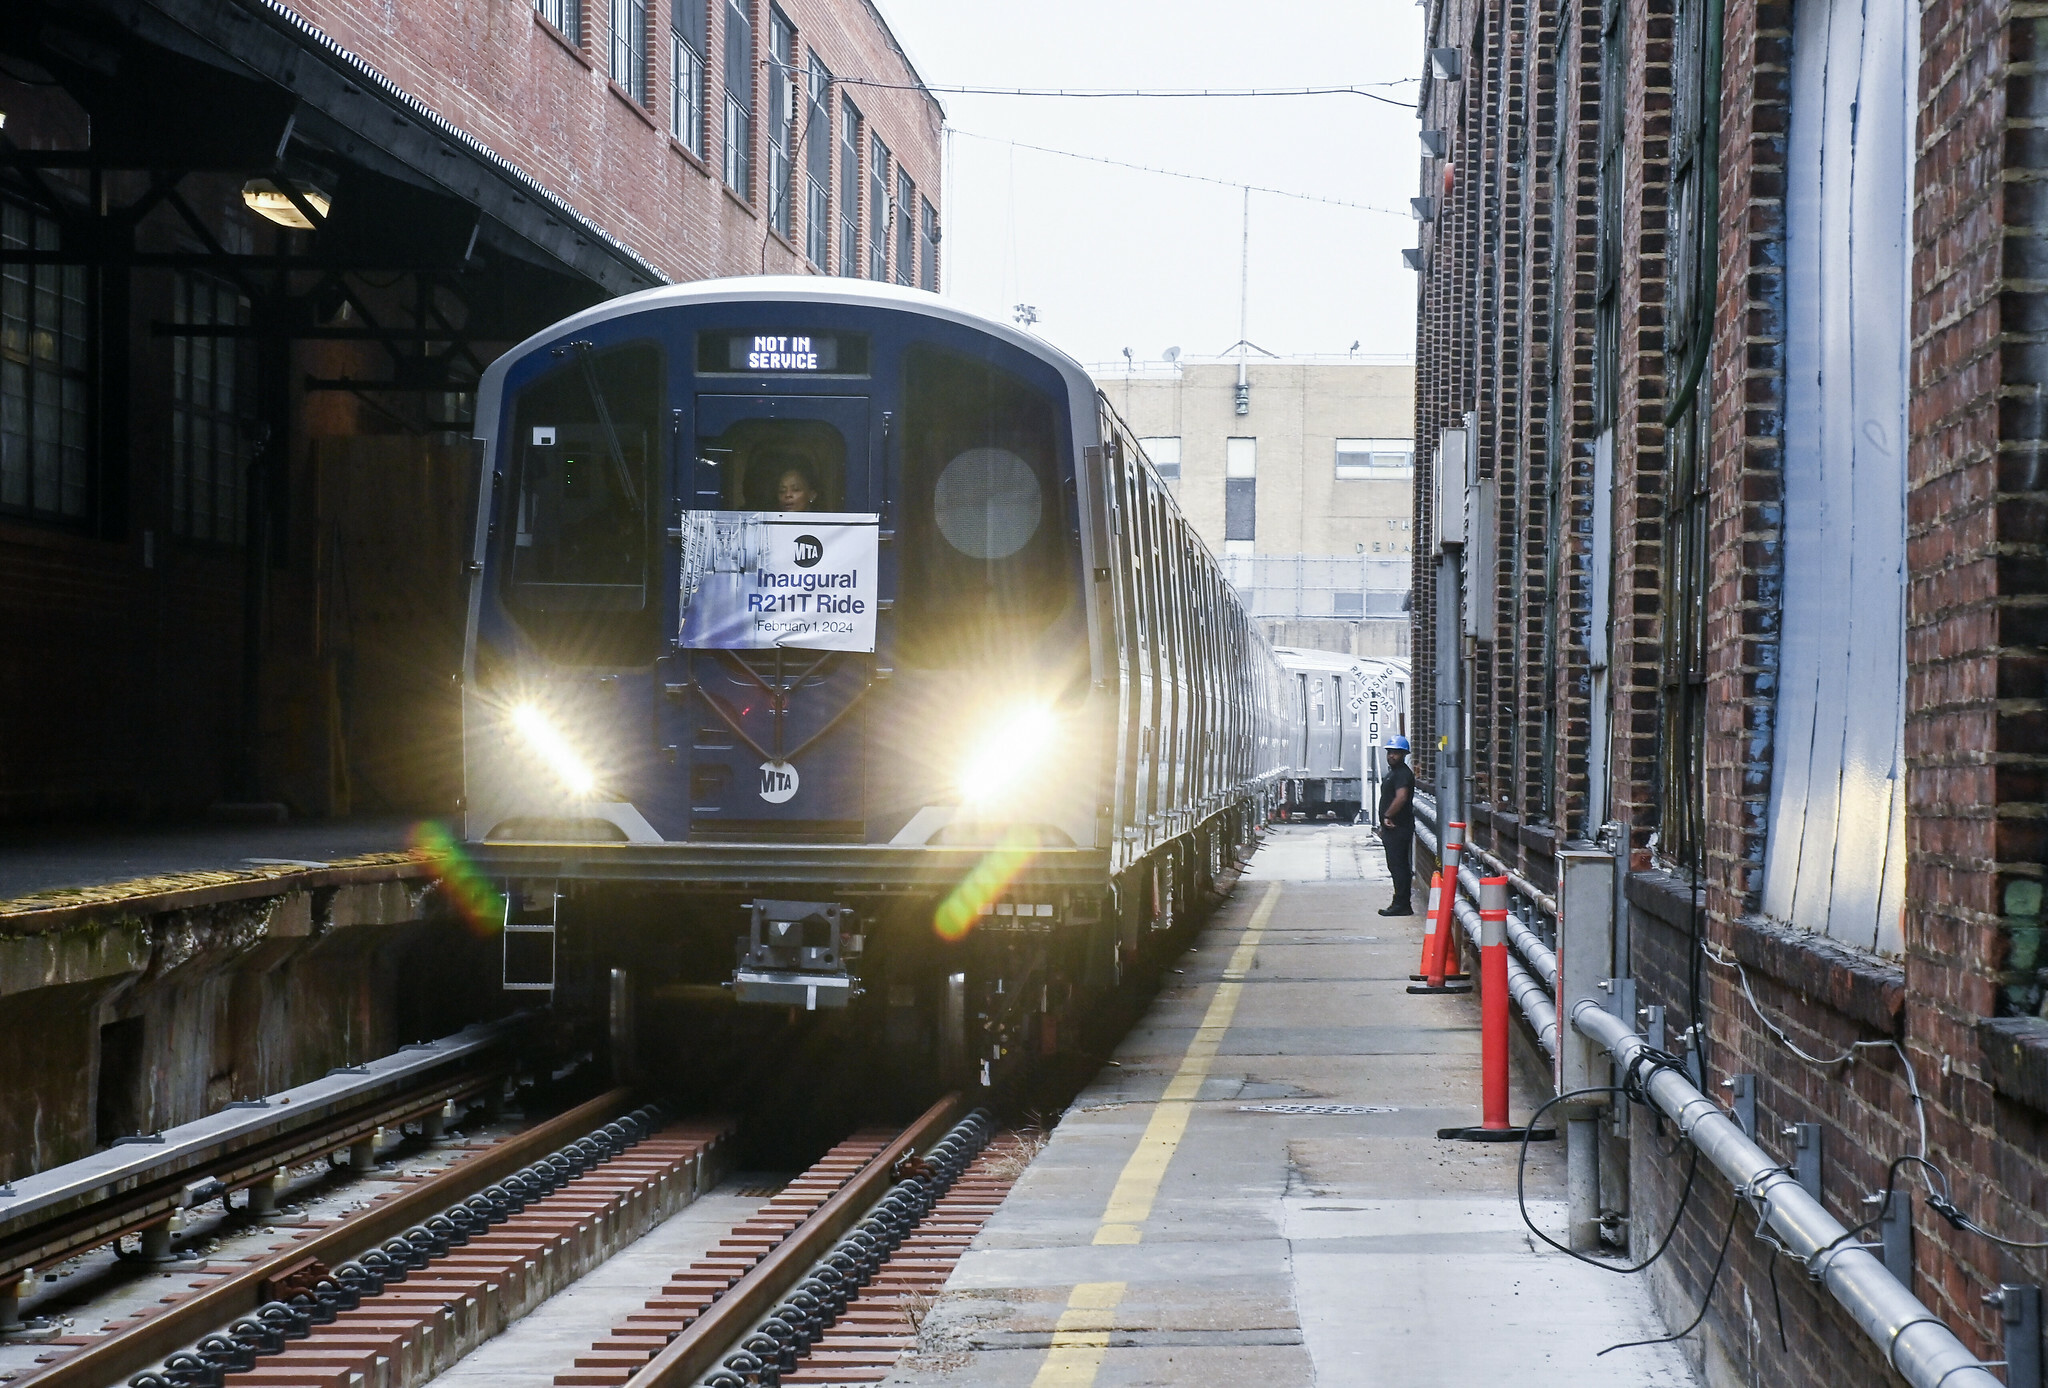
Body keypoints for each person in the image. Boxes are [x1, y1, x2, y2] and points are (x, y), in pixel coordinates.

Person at [1377, 736, 1415, 916]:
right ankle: (1400, 902)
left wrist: (1387, 816)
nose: (1391, 756)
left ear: (1404, 754)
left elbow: (1401, 797)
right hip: (1392, 828)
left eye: (1396, 753)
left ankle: (1401, 904)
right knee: (1396, 865)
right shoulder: (1394, 772)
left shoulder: (1402, 773)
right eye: (1389, 752)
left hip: (1398, 827)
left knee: (1399, 866)